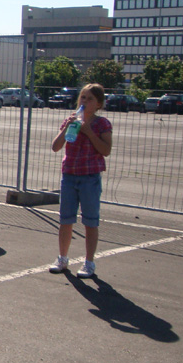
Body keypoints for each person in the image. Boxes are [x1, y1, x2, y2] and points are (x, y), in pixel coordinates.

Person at [49, 83, 113, 278]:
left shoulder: (102, 124)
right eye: (83, 97)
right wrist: (67, 128)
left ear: (98, 104)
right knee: (65, 219)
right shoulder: (71, 120)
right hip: (69, 175)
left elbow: (106, 150)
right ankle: (62, 258)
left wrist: (89, 132)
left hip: (89, 178)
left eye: (90, 99)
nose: (85, 101)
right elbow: (56, 147)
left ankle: (89, 262)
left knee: (90, 221)